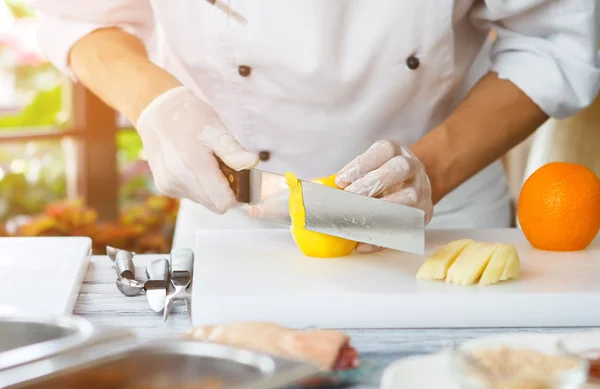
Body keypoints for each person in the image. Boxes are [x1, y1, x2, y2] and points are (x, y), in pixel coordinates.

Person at [26, 1, 600, 253]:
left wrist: (434, 166)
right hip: (229, 216)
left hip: (440, 220)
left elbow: (555, 38)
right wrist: (156, 104)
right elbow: (77, 16)